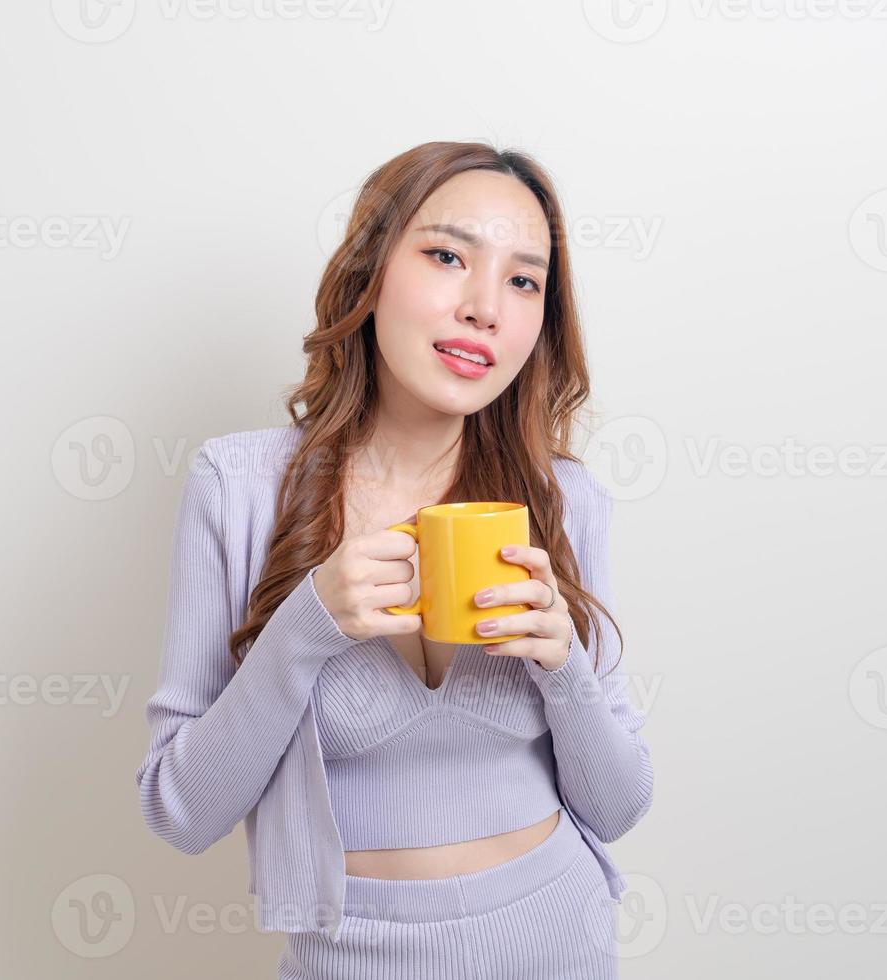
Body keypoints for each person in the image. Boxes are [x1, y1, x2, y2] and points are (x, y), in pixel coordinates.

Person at [134, 140, 654, 978]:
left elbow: (620, 804)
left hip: (559, 938)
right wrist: (305, 627)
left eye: (523, 280)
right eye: (447, 256)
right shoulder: (237, 486)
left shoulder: (563, 501)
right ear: (369, 271)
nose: (484, 307)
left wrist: (564, 668)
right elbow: (180, 811)